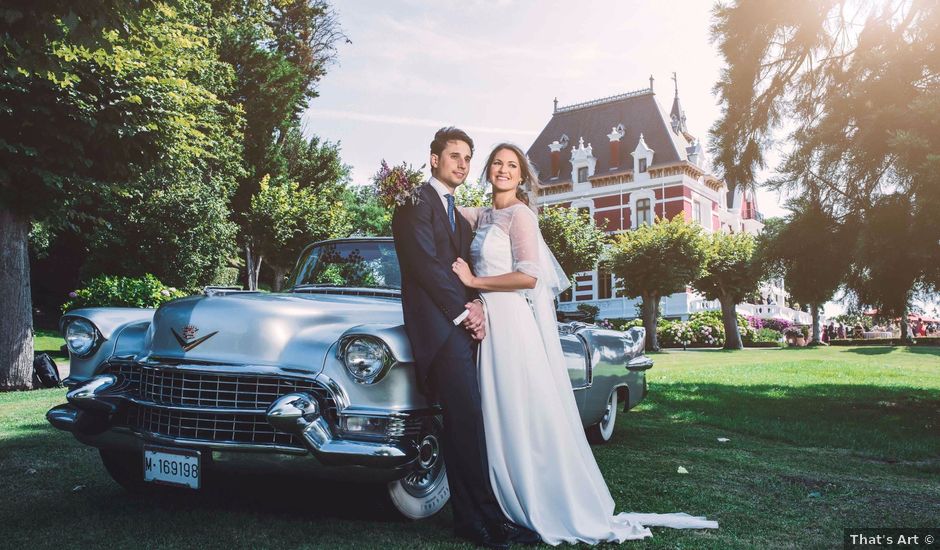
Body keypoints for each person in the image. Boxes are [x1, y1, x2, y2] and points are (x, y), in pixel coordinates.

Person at [452, 143, 718, 545]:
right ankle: (501, 492)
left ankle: (531, 495)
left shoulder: (521, 215)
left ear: (522, 177)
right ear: (487, 170)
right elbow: (441, 210)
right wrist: (408, 193)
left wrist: (475, 283)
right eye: (497, 164)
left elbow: (528, 277)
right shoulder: (483, 214)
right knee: (497, 408)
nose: (503, 170)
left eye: (512, 166)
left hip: (510, 321)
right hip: (490, 321)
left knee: (519, 407)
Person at [392, 128, 539, 548]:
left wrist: (475, 303)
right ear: (433, 158)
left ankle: (477, 519)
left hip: (463, 327)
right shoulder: (414, 203)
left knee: (467, 424)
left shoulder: (458, 212)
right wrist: (463, 313)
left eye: (468, 157)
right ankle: (483, 522)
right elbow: (426, 268)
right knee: (468, 423)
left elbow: (461, 267)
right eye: (454, 155)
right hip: (438, 333)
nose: (462, 164)